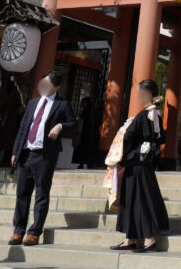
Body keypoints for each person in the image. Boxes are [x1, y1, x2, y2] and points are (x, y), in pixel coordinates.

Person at [9, 70, 78, 246]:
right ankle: (18, 230)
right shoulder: (32, 103)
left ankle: (34, 232)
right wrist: (16, 152)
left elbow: (74, 125)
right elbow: (23, 128)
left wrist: (60, 126)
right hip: (26, 153)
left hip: (44, 155)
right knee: (22, 194)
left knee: (41, 194)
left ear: (57, 87)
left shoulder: (62, 105)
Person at [111, 79, 169, 252]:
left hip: (137, 163)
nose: (137, 95)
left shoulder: (147, 114)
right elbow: (159, 137)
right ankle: (130, 238)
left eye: (140, 92)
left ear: (149, 95)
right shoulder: (153, 113)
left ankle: (150, 239)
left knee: (141, 200)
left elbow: (134, 137)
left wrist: (121, 151)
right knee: (131, 199)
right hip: (136, 163)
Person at [0, 75, 25, 166]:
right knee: (9, 141)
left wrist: (4, 118)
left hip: (10, 120)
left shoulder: (12, 93)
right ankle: (5, 159)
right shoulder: (20, 93)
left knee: (3, 141)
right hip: (14, 121)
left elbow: (8, 107)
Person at [72, 97, 98, 169]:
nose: (82, 104)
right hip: (86, 134)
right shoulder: (89, 112)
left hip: (85, 134)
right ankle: (85, 163)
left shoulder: (87, 112)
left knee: (84, 149)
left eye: (84, 102)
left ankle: (83, 163)